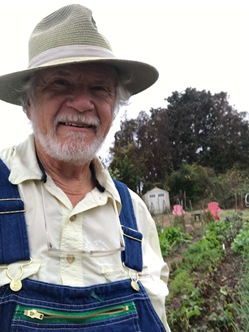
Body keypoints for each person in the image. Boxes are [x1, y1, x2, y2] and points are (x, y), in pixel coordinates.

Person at [0, 4, 170, 331]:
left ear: (114, 105)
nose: (81, 103)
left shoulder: (134, 213)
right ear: (28, 103)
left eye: (98, 88)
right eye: (60, 83)